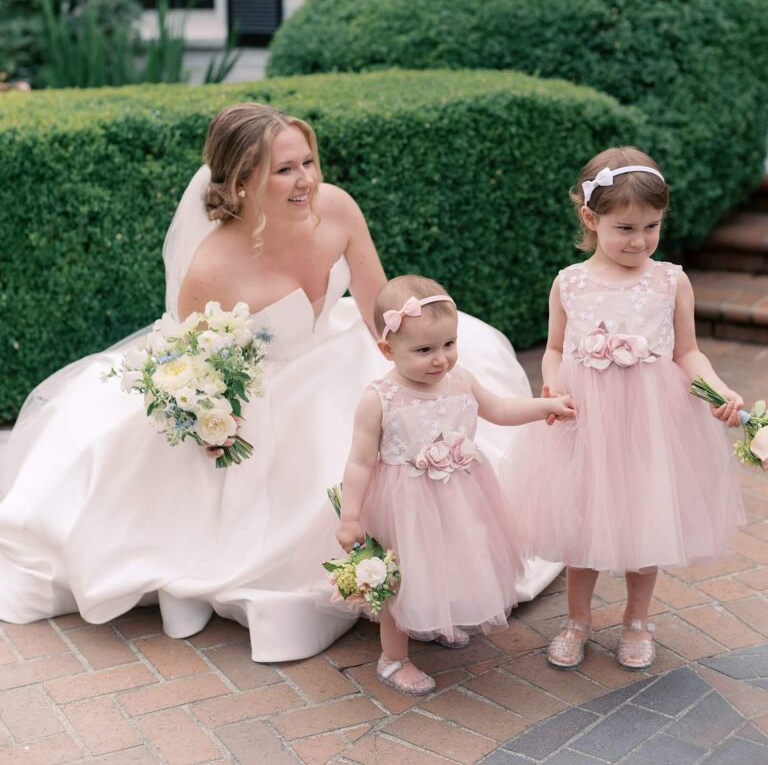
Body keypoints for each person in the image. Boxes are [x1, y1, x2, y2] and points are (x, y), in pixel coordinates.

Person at [0, 103, 559, 662]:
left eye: (308, 162)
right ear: (242, 182)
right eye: (285, 169)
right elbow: (196, 366)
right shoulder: (211, 267)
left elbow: (379, 313)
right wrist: (210, 420)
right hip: (268, 388)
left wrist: (417, 391)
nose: (307, 180)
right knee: (316, 456)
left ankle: (446, 568)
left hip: (347, 352)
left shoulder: (336, 208)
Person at [501, 147, 747, 672]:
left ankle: (637, 619)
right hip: (585, 421)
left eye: (651, 227)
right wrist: (550, 383)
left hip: (650, 422)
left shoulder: (670, 280)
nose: (639, 240)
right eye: (625, 228)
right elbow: (553, 347)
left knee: (645, 518)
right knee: (582, 521)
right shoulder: (570, 282)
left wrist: (718, 390)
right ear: (591, 218)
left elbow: (687, 352)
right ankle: (577, 620)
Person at [335, 275, 575, 694]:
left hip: (462, 496)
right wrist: (351, 517)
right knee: (404, 576)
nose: (440, 359)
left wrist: (545, 406)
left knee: (451, 562)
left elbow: (500, 408)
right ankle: (393, 659)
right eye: (424, 350)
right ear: (388, 350)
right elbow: (359, 462)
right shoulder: (381, 398)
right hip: (405, 504)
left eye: (448, 344)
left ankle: (437, 622)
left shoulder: (461, 380)